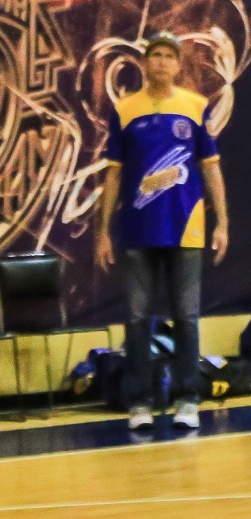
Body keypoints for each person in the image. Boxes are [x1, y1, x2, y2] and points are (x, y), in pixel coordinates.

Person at [95, 30, 228, 432]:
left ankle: (187, 399)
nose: (161, 62)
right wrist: (103, 231)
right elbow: (113, 176)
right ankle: (139, 402)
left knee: (186, 318)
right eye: (154, 55)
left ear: (178, 63)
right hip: (137, 230)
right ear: (143, 62)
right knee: (137, 320)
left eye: (169, 56)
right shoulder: (125, 110)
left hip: (186, 229)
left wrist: (222, 221)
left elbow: (210, 167)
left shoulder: (196, 106)